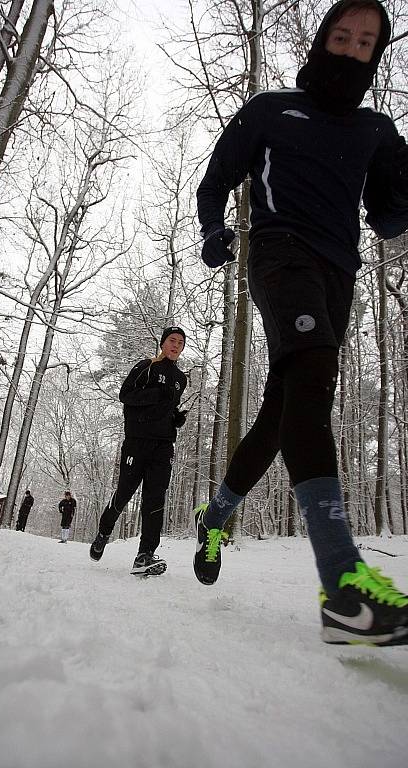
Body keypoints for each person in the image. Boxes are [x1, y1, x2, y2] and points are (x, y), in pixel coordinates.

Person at [194, 0, 408, 645]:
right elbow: (217, 178)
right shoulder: (270, 110)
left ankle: (216, 516)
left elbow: (390, 218)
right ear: (322, 40)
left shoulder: (375, 129)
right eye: (340, 35)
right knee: (311, 379)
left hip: (339, 272)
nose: (350, 48)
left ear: (375, 55)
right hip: (280, 251)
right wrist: (214, 230)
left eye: (365, 41)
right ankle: (345, 587)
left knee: (282, 410)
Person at [90, 327, 188, 576]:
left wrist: (175, 418)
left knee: (155, 498)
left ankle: (144, 555)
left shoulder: (181, 379)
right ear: (163, 343)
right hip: (137, 441)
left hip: (164, 445)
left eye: (180, 342)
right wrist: (156, 394)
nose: (176, 345)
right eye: (171, 341)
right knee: (125, 492)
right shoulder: (146, 366)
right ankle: (104, 531)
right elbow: (126, 396)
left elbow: (168, 407)